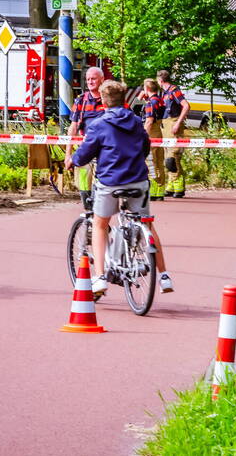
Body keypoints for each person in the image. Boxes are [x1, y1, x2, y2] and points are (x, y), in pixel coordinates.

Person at [66, 80, 174, 295]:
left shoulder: (99, 124)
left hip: (110, 182)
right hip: (138, 180)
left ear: (103, 103)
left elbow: (86, 152)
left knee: (99, 223)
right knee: (146, 224)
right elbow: (145, 146)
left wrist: (73, 161)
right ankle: (164, 276)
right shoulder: (136, 121)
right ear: (124, 100)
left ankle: (100, 277)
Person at [66, 66, 106, 208]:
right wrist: (68, 154)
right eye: (88, 79)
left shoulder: (108, 99)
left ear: (102, 80)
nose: (90, 81)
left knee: (100, 182)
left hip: (104, 150)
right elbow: (73, 127)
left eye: (93, 78)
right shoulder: (81, 100)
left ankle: (98, 210)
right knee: (83, 179)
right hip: (85, 147)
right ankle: (87, 208)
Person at [156, 70, 191, 198]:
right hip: (166, 125)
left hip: (173, 123)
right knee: (167, 156)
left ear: (160, 81)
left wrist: (178, 123)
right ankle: (171, 185)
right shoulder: (164, 93)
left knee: (173, 157)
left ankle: (179, 185)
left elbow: (186, 106)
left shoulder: (174, 90)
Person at [140, 78, 167, 201]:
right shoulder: (159, 100)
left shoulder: (150, 103)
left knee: (151, 162)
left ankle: (154, 190)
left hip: (151, 133)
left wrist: (143, 135)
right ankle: (160, 189)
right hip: (159, 132)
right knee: (159, 161)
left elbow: (149, 120)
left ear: (146, 89)